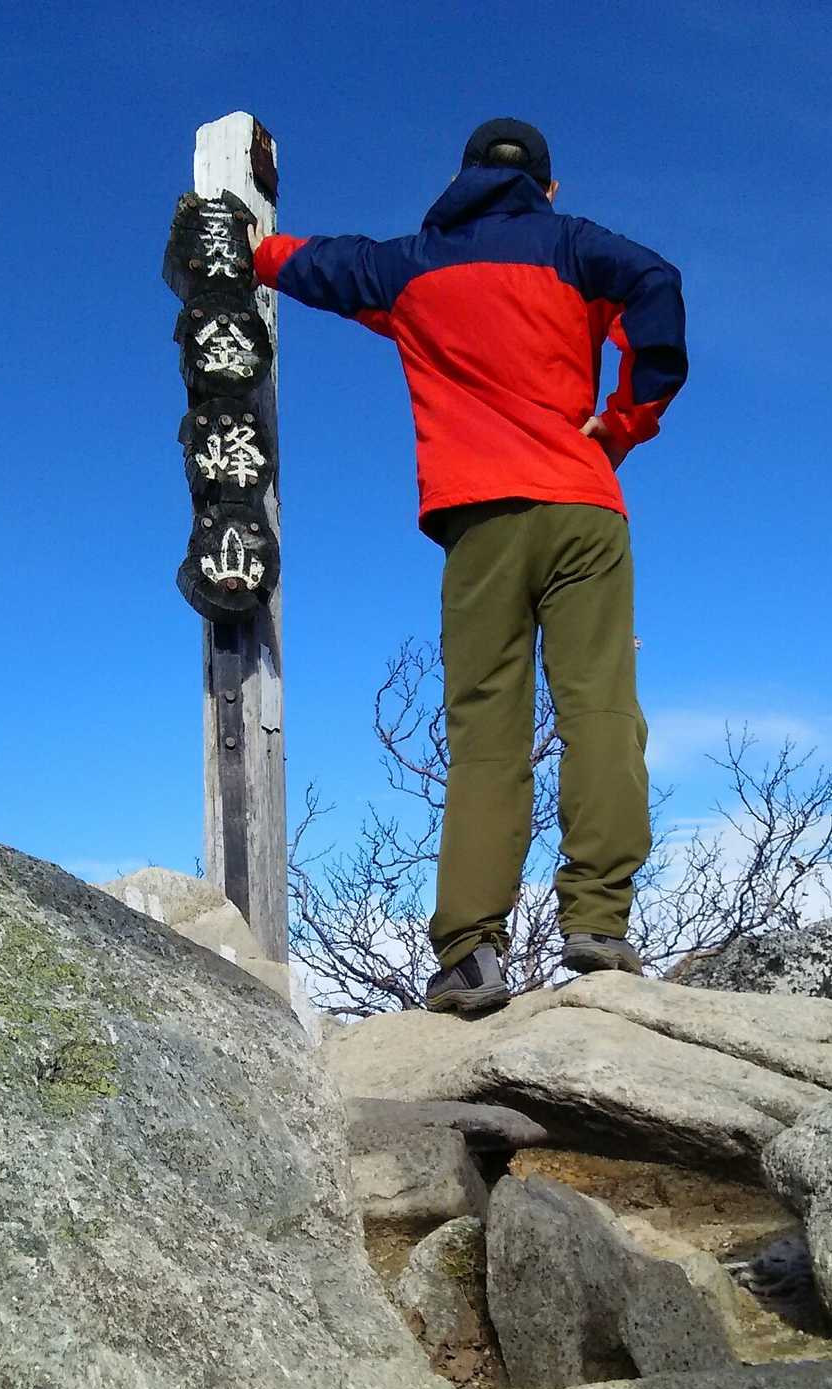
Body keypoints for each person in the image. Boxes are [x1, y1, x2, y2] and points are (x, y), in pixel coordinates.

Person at [251, 117, 687, 1015]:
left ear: (462, 178)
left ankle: (470, 954)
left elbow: (308, 263)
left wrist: (246, 248)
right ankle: (599, 922)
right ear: (548, 187)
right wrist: (624, 421)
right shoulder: (578, 247)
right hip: (582, 507)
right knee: (601, 709)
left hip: (480, 523)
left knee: (487, 735)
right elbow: (658, 283)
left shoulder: (410, 266)